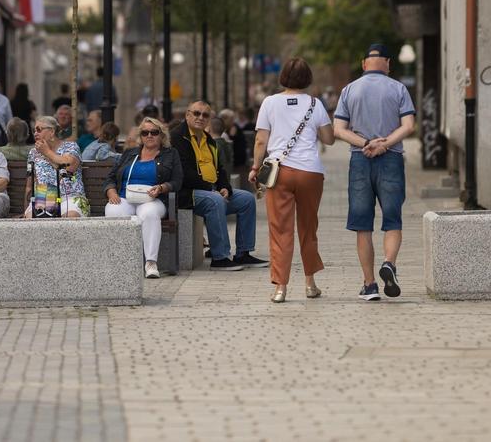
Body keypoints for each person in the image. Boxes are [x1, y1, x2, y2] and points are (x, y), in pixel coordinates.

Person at [334, 42, 416, 302]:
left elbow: (339, 129)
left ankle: (369, 285)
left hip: (360, 160)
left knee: (362, 225)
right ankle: (389, 263)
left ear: (363, 64)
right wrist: (385, 144)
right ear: (388, 64)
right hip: (390, 159)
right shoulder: (398, 88)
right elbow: (409, 125)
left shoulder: (349, 89)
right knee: (393, 220)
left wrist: (365, 143)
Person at [250, 57, 334, 302]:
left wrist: (256, 167)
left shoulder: (269, 103)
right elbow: (328, 139)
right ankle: (310, 284)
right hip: (311, 173)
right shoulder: (315, 104)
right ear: (308, 78)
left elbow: (260, 141)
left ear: (282, 77)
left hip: (280, 173)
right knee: (309, 228)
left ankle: (280, 288)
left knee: (280, 230)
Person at [172, 101, 267, 272]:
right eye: (196, 113)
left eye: (205, 115)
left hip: (210, 190)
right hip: (186, 193)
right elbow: (184, 172)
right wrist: (212, 188)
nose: (200, 117)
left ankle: (243, 253)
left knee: (246, 199)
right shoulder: (177, 138)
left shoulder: (209, 140)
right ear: (187, 115)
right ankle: (220, 257)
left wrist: (225, 186)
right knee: (215, 201)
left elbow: (220, 168)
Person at [105, 117, 183, 279]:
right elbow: (111, 177)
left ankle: (151, 262)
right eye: (145, 132)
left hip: (153, 199)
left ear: (162, 135)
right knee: (113, 210)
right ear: (140, 136)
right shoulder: (129, 153)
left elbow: (177, 180)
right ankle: (123, 261)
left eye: (154, 132)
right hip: (125, 197)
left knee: (148, 213)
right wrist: (111, 191)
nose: (149, 135)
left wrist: (162, 188)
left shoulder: (170, 154)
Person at [25, 116, 90, 217]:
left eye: (39, 129)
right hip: (43, 198)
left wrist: (46, 152)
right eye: (34, 130)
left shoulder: (71, 146)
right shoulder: (33, 152)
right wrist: (26, 209)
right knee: (31, 220)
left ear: (51, 131)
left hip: (71, 197)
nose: (35, 133)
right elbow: (30, 184)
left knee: (71, 216)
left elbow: (69, 166)